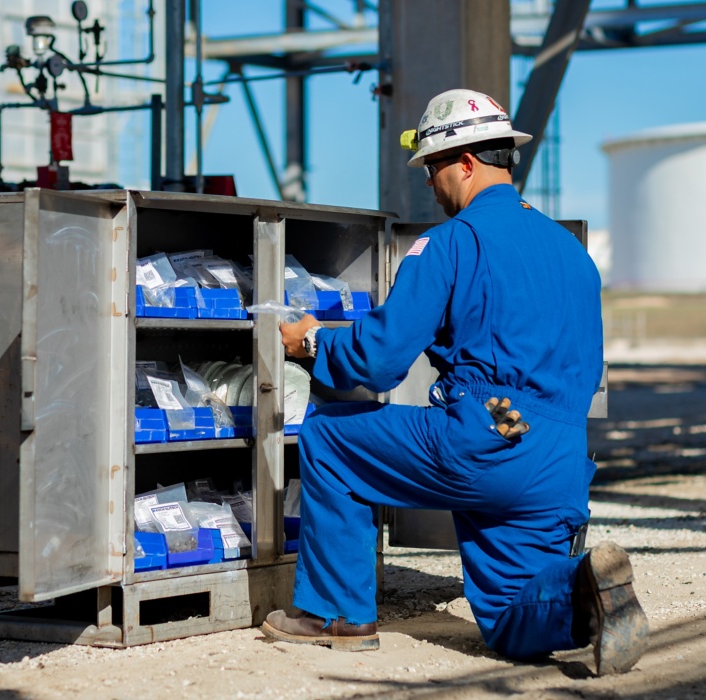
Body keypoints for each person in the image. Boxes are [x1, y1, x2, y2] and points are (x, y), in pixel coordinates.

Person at [261, 88, 649, 675]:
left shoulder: (451, 242)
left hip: (488, 435)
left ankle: (336, 615)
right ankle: (585, 594)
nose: (428, 183)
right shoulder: (571, 254)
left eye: (433, 168)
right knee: (507, 617)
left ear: (465, 164)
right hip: (561, 458)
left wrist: (312, 343)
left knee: (331, 441)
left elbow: (380, 359)